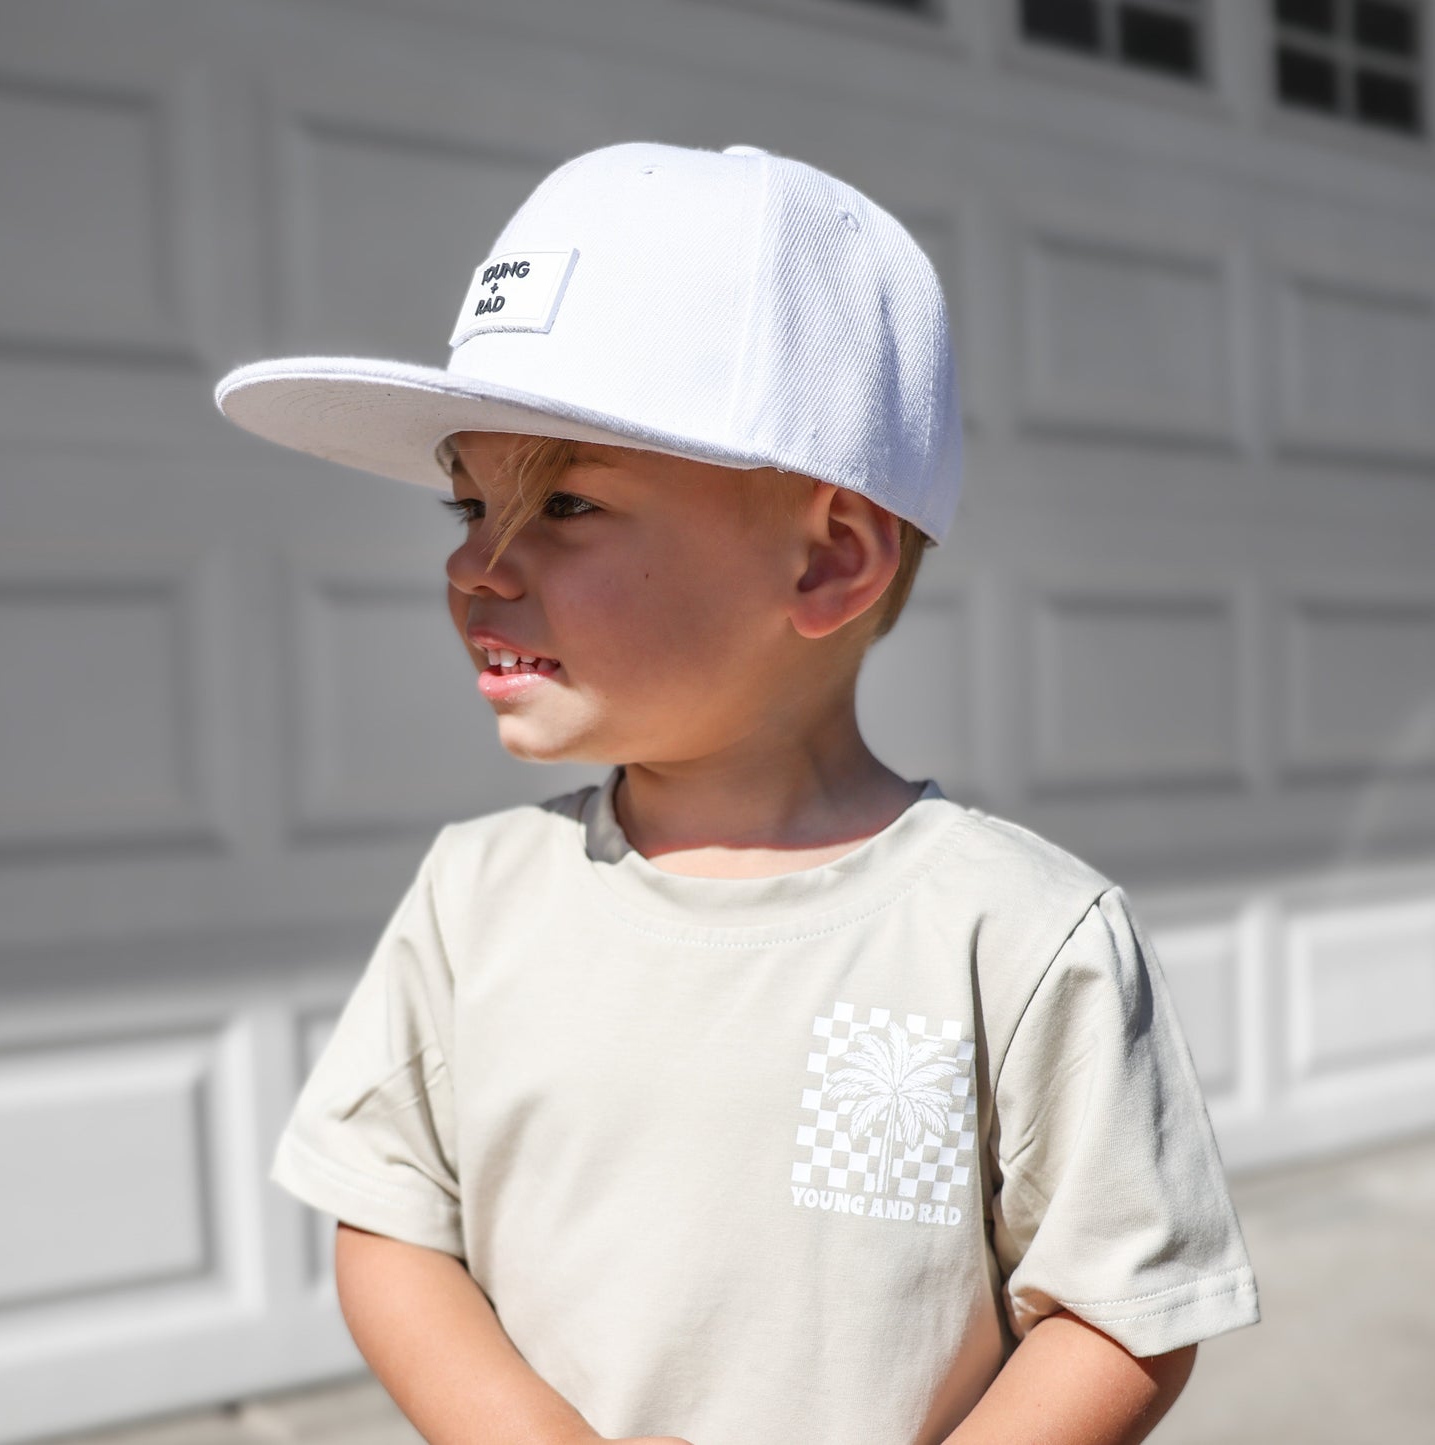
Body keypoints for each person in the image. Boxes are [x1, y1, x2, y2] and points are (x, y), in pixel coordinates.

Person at [214, 141, 1258, 1445]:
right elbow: (387, 1223)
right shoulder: (472, 900)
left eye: (566, 505)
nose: (476, 565)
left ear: (827, 560)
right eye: (467, 506)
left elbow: (1122, 1308)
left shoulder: (1017, 934)